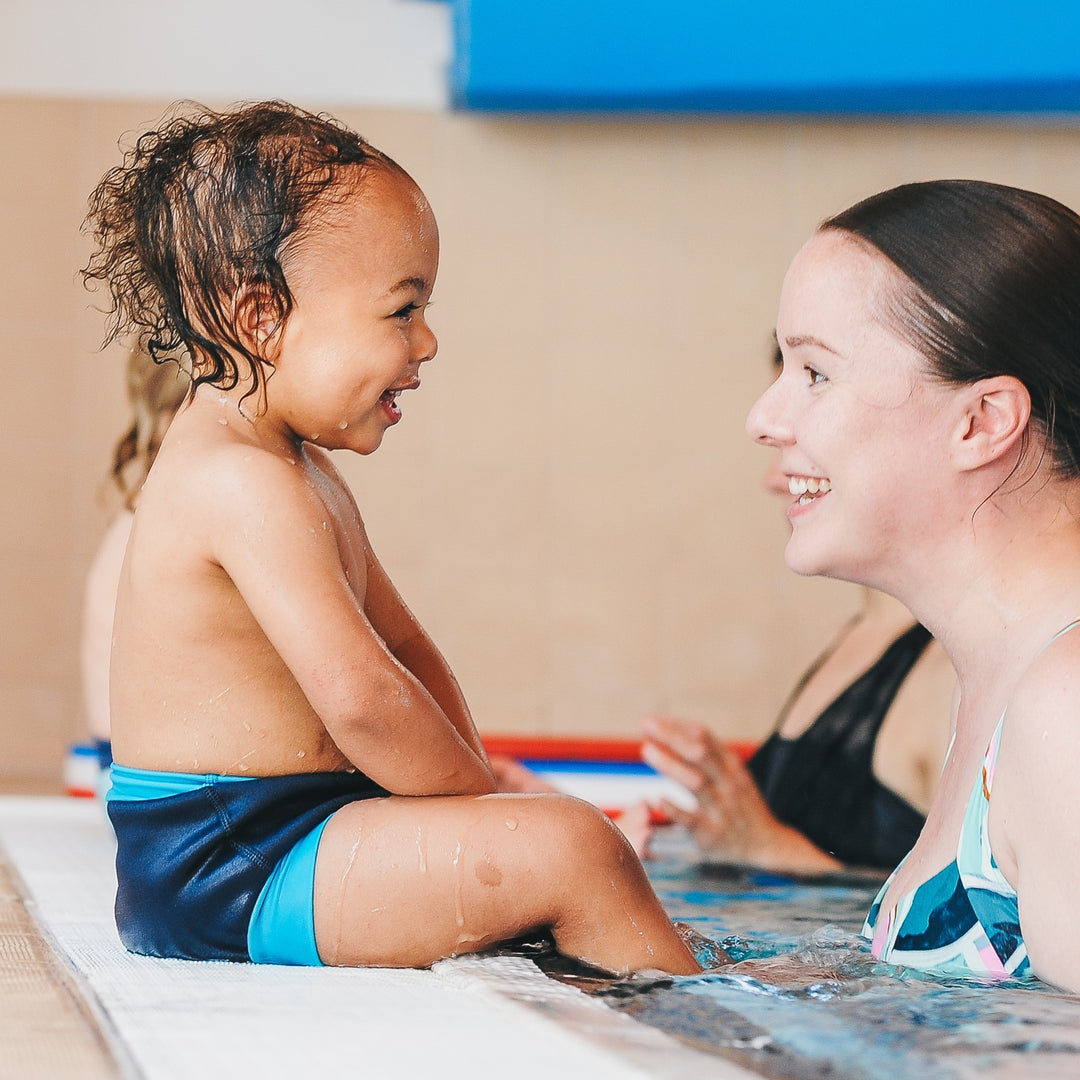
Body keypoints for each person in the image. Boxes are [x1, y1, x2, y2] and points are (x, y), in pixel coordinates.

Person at [79, 101, 699, 976]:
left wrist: (477, 790)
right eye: (402, 311)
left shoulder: (300, 470)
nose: (428, 341)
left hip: (280, 832)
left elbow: (402, 645)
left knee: (548, 844)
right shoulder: (237, 479)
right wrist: (480, 808)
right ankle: (707, 1020)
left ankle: (653, 971)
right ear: (261, 318)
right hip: (223, 866)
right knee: (573, 849)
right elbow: (364, 697)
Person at [746, 179, 1080, 990]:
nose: (764, 417)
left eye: (815, 373)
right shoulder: (1000, 689)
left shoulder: (1066, 706)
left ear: (982, 421)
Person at [641, 349, 955, 874]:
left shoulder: (951, 673)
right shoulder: (857, 636)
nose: (772, 479)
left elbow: (985, 930)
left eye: (814, 381)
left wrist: (769, 848)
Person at [79, 343, 190, 774]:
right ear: (165, 422)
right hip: (134, 769)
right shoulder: (166, 515)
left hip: (121, 762)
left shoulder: (147, 510)